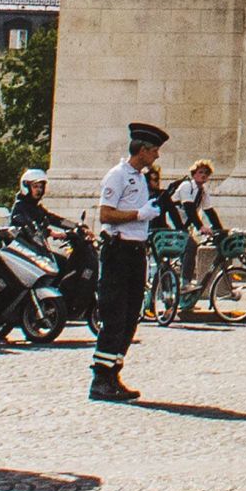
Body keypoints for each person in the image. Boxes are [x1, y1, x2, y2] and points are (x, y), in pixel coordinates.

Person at [91, 119, 168, 401]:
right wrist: (139, 215)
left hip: (135, 252)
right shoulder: (117, 175)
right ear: (143, 150)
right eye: (155, 150)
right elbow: (106, 214)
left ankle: (113, 372)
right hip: (118, 252)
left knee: (130, 316)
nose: (157, 155)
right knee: (114, 315)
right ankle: (100, 379)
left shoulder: (139, 178)